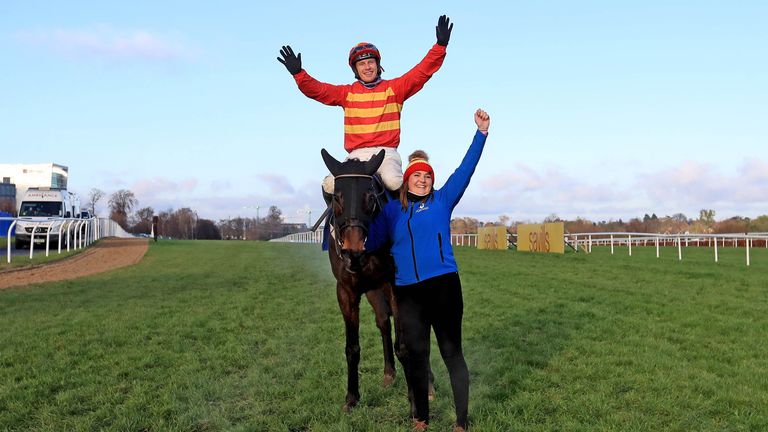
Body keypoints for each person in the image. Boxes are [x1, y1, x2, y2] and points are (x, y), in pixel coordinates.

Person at [365, 109, 490, 431]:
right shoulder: (393, 211)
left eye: (427, 176)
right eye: (417, 176)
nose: (422, 180)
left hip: (445, 288)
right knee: (416, 357)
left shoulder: (443, 200)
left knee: (452, 354)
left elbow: (466, 170)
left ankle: (461, 422)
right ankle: (421, 417)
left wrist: (481, 134)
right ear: (406, 180)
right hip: (408, 293)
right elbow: (371, 239)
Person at [277, 15, 454, 200]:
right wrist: (299, 73)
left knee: (394, 182)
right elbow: (318, 91)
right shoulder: (347, 93)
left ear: (378, 65)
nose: (367, 67)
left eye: (371, 62)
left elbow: (421, 72)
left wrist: (440, 46)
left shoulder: (395, 89)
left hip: (386, 154)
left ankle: (402, 224)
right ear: (356, 69)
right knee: (329, 185)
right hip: (357, 156)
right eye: (362, 64)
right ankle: (334, 227)